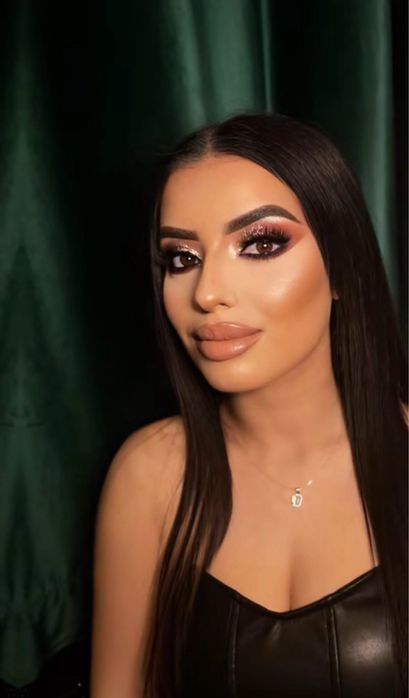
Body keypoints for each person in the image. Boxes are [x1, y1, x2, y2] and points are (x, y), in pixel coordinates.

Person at [90, 113, 408, 698]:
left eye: (260, 244)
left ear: (342, 265)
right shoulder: (149, 477)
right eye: (182, 258)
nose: (208, 292)